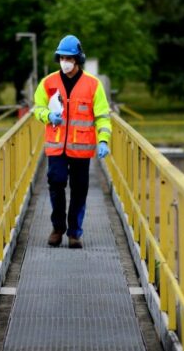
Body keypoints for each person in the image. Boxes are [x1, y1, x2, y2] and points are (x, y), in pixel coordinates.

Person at [32, 34, 112, 249]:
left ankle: (74, 233)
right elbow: (37, 108)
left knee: (79, 190)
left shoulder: (93, 85)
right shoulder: (48, 83)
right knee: (56, 184)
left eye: (69, 58)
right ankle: (58, 228)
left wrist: (103, 140)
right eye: (61, 58)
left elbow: (103, 116)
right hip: (56, 146)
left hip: (81, 149)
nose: (64, 62)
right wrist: (47, 116)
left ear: (78, 59)